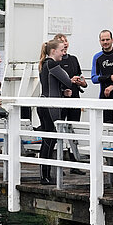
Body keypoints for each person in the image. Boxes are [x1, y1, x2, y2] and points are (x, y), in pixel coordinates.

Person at [38, 38, 73, 185]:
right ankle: (45, 177)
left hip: (44, 104)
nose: (63, 54)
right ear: (53, 51)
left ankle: (44, 175)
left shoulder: (44, 64)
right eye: (61, 50)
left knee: (47, 141)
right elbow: (67, 80)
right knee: (49, 141)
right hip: (51, 107)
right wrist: (69, 84)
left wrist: (62, 91)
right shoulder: (52, 63)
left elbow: (51, 84)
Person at [54, 33, 87, 174]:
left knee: (73, 132)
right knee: (60, 132)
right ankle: (59, 165)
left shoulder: (73, 59)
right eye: (61, 42)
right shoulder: (55, 61)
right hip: (61, 101)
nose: (65, 43)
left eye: (66, 41)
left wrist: (81, 82)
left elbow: (83, 81)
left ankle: (74, 165)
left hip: (74, 99)